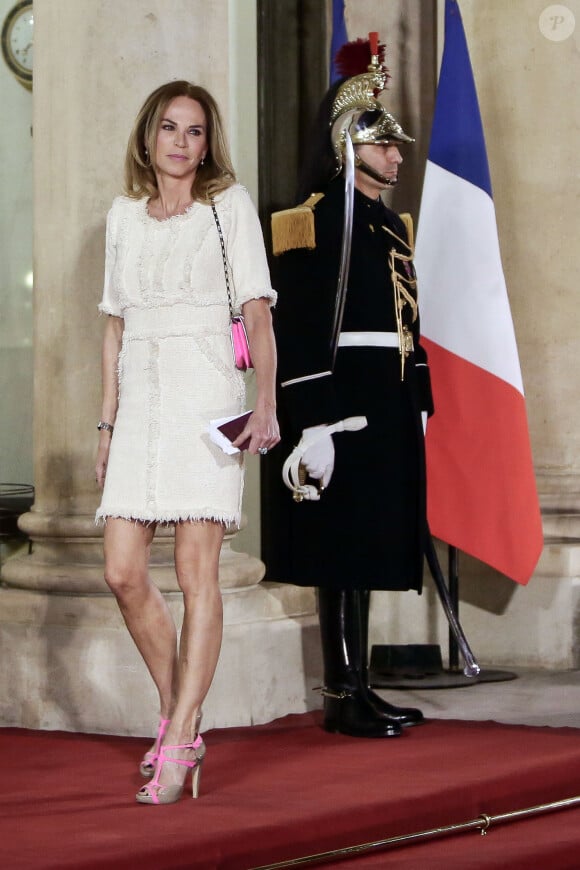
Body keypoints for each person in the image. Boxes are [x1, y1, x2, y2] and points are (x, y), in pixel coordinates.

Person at [95, 80, 279, 804]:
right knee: (121, 571)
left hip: (207, 396)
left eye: (194, 131)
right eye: (168, 128)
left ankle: (179, 737)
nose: (179, 141)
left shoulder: (226, 207)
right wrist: (106, 424)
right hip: (140, 399)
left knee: (196, 569)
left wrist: (265, 399)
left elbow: (258, 315)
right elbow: (112, 325)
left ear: (208, 143)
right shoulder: (121, 218)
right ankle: (180, 715)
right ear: (149, 137)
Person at [267, 38, 434, 738]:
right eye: (385, 144)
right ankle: (340, 692)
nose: (397, 157)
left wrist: (417, 396)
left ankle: (360, 685)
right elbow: (301, 327)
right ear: (349, 141)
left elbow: (407, 318)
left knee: (372, 545)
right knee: (340, 547)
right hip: (341, 406)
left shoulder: (389, 227)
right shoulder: (310, 220)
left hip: (386, 401)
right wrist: (314, 421)